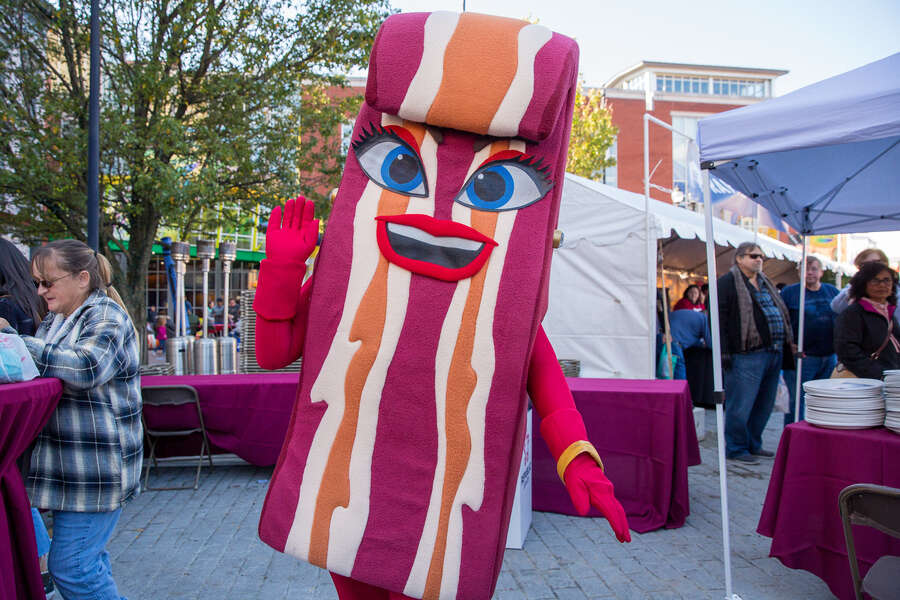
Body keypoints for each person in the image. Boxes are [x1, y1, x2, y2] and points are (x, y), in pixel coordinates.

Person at [0, 239, 142, 600]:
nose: (40, 291)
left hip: (96, 471)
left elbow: (86, 366)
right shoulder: (59, 319)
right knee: (87, 564)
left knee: (73, 568)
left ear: (82, 278)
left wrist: (17, 342)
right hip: (76, 469)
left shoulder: (106, 316)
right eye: (37, 283)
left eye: (48, 282)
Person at [0, 239, 56, 597]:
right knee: (16, 485)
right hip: (32, 410)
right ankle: (39, 562)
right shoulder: (31, 300)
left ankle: (37, 562)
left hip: (16, 405)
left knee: (15, 485)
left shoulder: (7, 306)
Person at [718, 242, 795, 464]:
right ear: (739, 258)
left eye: (761, 256)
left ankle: (753, 443)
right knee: (741, 404)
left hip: (773, 351)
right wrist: (723, 351)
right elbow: (719, 319)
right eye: (753, 256)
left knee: (764, 404)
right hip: (746, 353)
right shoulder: (727, 283)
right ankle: (736, 447)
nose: (759, 259)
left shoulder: (765, 282)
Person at [779, 256, 840, 425]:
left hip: (828, 356)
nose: (809, 273)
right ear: (799, 272)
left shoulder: (832, 291)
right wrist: (788, 343)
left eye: (814, 269)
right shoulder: (789, 293)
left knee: (824, 401)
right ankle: (793, 435)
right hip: (802, 357)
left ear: (821, 272)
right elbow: (781, 320)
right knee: (796, 403)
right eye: (805, 269)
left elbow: (842, 317)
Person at [833, 262, 900, 379]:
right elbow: (847, 351)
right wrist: (879, 374)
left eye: (887, 280)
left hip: (889, 379)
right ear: (863, 284)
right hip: (864, 383)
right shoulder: (853, 313)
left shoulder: (889, 312)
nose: (882, 285)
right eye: (875, 280)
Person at [831, 248, 900, 315]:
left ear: (885, 264)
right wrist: (855, 287)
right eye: (865, 265)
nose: (871, 267)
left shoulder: (896, 287)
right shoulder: (855, 286)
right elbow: (836, 307)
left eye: (876, 262)